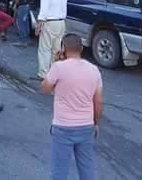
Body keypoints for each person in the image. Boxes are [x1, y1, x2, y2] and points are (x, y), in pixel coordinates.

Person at [42, 34, 103, 180]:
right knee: (86, 167)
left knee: (59, 171)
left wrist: (55, 63)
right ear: (81, 48)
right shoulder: (94, 70)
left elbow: (45, 89)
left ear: (63, 49)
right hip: (86, 126)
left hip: (63, 127)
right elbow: (98, 102)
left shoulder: (58, 67)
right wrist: (95, 123)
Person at [34, 0, 68, 80]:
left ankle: (43, 73)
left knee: (44, 49)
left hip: (50, 22)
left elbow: (43, 12)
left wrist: (38, 26)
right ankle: (55, 72)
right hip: (61, 22)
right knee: (56, 49)